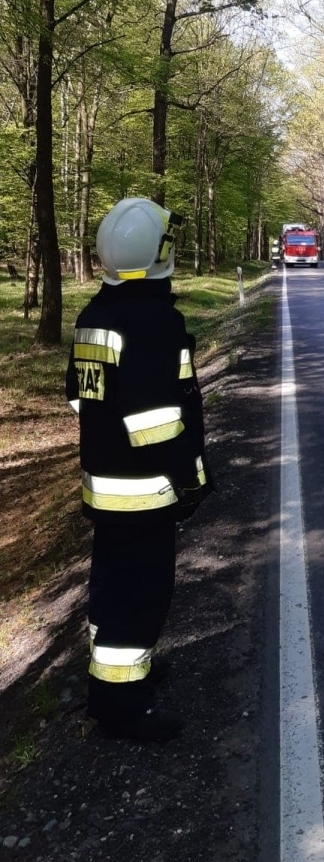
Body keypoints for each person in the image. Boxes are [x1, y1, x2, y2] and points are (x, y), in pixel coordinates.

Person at [66, 197, 213, 741]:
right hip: (145, 492)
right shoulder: (153, 321)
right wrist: (191, 482)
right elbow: (157, 423)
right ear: (158, 253)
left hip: (104, 487)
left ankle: (118, 679)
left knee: (112, 589)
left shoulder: (95, 315)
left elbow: (80, 399)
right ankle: (122, 708)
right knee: (141, 595)